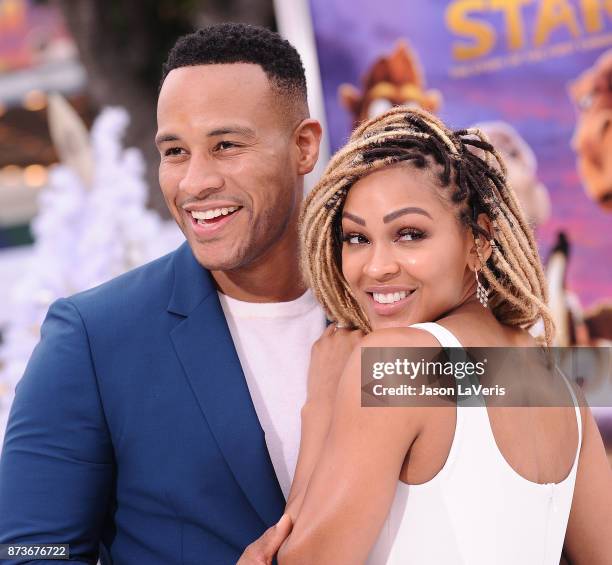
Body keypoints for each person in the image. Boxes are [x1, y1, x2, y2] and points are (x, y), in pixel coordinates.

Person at [0, 24, 326, 564]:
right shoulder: (94, 338)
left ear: (304, 146)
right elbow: (33, 550)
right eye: (175, 151)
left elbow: (510, 416)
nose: (194, 181)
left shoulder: (389, 300)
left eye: (225, 145)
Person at [243, 107, 612, 564]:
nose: (376, 267)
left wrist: (321, 402)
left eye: (410, 234)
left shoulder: (397, 364)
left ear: (478, 240)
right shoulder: (559, 386)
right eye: (356, 238)